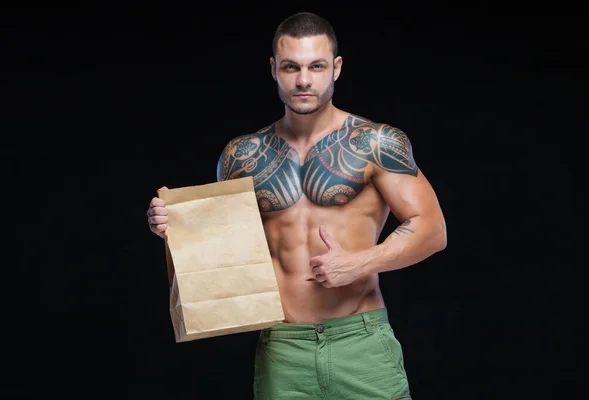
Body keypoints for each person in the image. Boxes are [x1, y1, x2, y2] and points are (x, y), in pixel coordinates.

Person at [147, 11, 446, 400]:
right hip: (284, 348)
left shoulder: (375, 143)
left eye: (316, 66)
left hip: (361, 340)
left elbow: (432, 230)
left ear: (336, 68)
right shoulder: (241, 155)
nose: (304, 80)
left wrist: (358, 262)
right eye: (291, 67)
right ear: (274, 69)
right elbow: (227, 255)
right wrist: (176, 225)